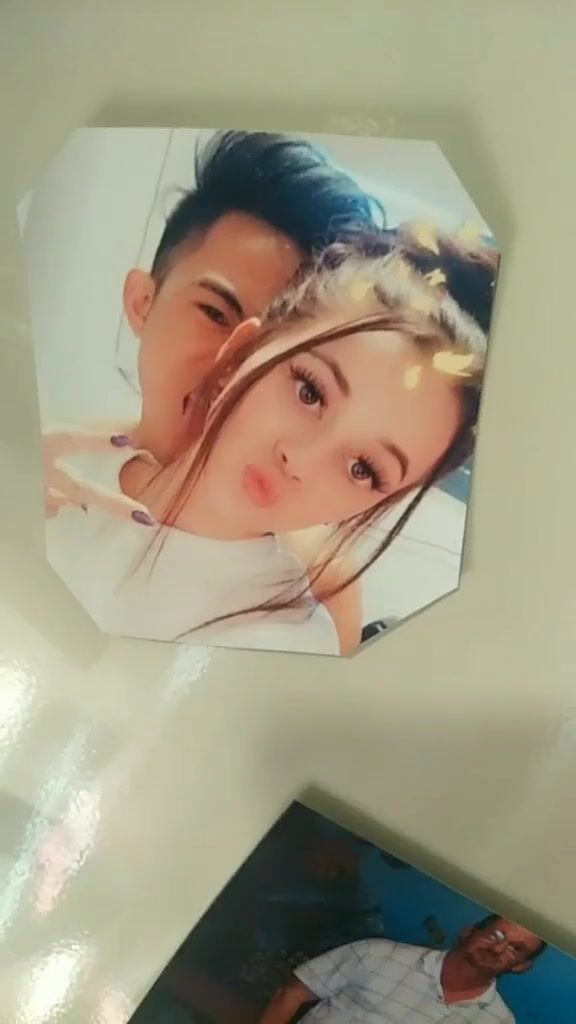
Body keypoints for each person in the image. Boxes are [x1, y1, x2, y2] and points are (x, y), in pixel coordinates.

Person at [45, 235, 488, 654]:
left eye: (362, 468)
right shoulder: (57, 470)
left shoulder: (288, 642)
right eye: (310, 392)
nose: (300, 460)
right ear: (239, 355)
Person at [44, 129, 384, 652]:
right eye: (215, 313)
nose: (235, 364)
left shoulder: (314, 584)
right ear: (142, 302)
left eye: (279, 349)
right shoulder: (54, 468)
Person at [257, 914, 546, 1023]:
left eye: (515, 948)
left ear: (521, 966)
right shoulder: (376, 953)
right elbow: (291, 994)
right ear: (468, 931)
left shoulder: (498, 1021)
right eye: (495, 935)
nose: (498, 948)